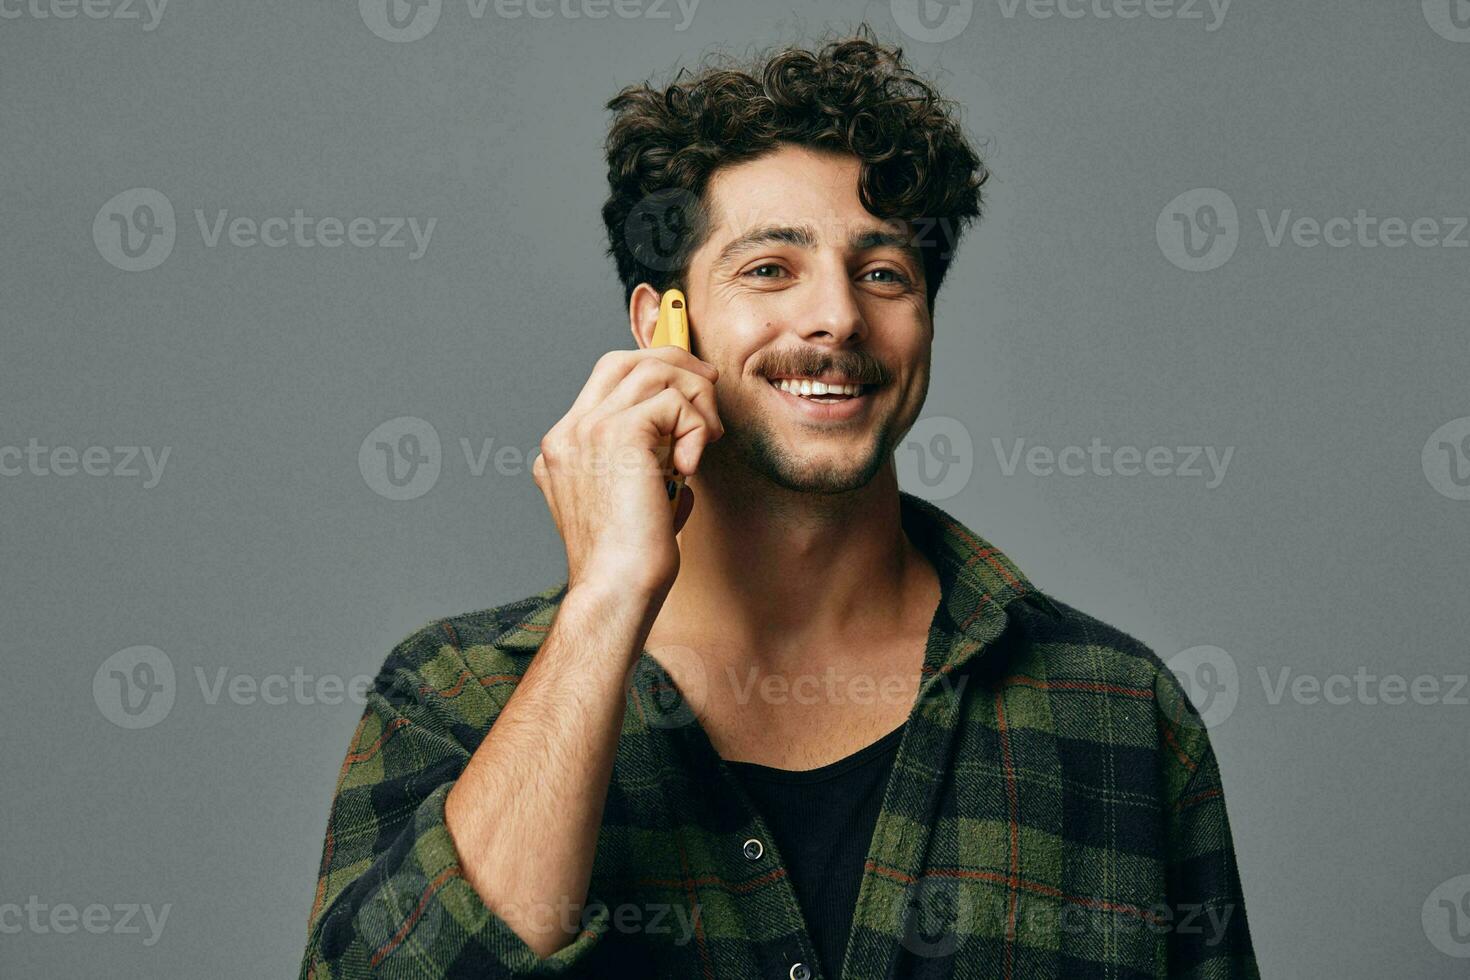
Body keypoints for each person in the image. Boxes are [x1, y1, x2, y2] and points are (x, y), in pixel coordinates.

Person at [299, 25, 1259, 979]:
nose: (838, 315)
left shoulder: (1118, 715)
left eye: (883, 273)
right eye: (769, 268)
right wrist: (607, 599)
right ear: (662, 326)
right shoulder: (453, 701)